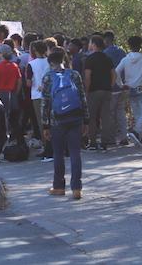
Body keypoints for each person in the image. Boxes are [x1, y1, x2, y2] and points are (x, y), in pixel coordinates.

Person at [42, 48, 89, 200]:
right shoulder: (74, 75)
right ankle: (76, 188)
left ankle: (59, 186)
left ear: (50, 63)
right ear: (63, 60)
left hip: (57, 120)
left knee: (58, 154)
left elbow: (45, 103)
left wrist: (45, 125)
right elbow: (82, 98)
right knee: (75, 152)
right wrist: (86, 120)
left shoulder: (48, 77)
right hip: (75, 118)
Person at [115, 36, 142, 145]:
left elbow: (116, 71)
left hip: (129, 89)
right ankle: (136, 132)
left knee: (137, 113)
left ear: (129, 45)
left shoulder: (125, 59)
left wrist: (121, 85)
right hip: (140, 88)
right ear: (140, 45)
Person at [83, 35, 116, 151]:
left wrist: (86, 91)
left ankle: (92, 142)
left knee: (92, 117)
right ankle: (105, 141)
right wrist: (110, 86)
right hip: (106, 91)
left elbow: (87, 77)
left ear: (94, 45)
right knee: (105, 116)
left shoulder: (90, 59)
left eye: (90, 43)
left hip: (94, 91)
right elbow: (114, 74)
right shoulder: (107, 58)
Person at [0, 44, 22, 141]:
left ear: (2, 54)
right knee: (13, 117)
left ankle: (3, 137)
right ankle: (13, 137)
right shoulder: (14, 66)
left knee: (3, 116)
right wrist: (16, 92)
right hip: (12, 93)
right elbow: (19, 81)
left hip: (1, 93)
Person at [26, 40, 51, 158]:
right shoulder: (49, 62)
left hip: (37, 95)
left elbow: (29, 83)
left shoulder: (31, 65)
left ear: (34, 51)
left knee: (42, 122)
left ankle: (47, 147)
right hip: (50, 94)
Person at [103, 30, 128, 146]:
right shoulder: (122, 51)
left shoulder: (105, 53)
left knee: (111, 113)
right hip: (123, 86)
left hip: (111, 87)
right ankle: (124, 136)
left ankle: (111, 138)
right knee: (121, 112)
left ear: (106, 40)